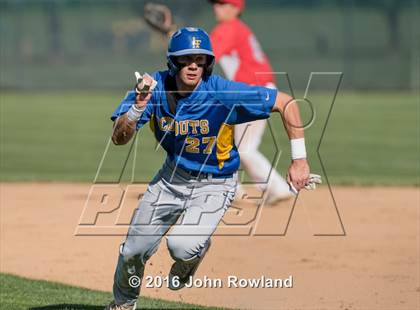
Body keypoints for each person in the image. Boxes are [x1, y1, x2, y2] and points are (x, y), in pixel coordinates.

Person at [105, 27, 315, 310]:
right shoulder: (153, 88)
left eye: (201, 59)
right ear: (172, 62)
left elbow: (285, 103)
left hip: (215, 183)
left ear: (209, 63)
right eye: (186, 58)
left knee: (181, 247)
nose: (193, 65)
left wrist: (299, 159)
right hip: (172, 178)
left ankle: (196, 252)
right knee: (133, 250)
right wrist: (136, 109)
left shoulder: (221, 92)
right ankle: (123, 305)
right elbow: (118, 139)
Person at [144, 0, 293, 205]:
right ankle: (232, 187)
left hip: (251, 91)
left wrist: (171, 33)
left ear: (236, 9)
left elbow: (197, 55)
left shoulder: (228, 28)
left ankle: (277, 188)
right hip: (252, 88)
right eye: (216, 4)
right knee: (223, 138)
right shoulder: (239, 29)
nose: (217, 8)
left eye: (223, 4)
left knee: (244, 149)